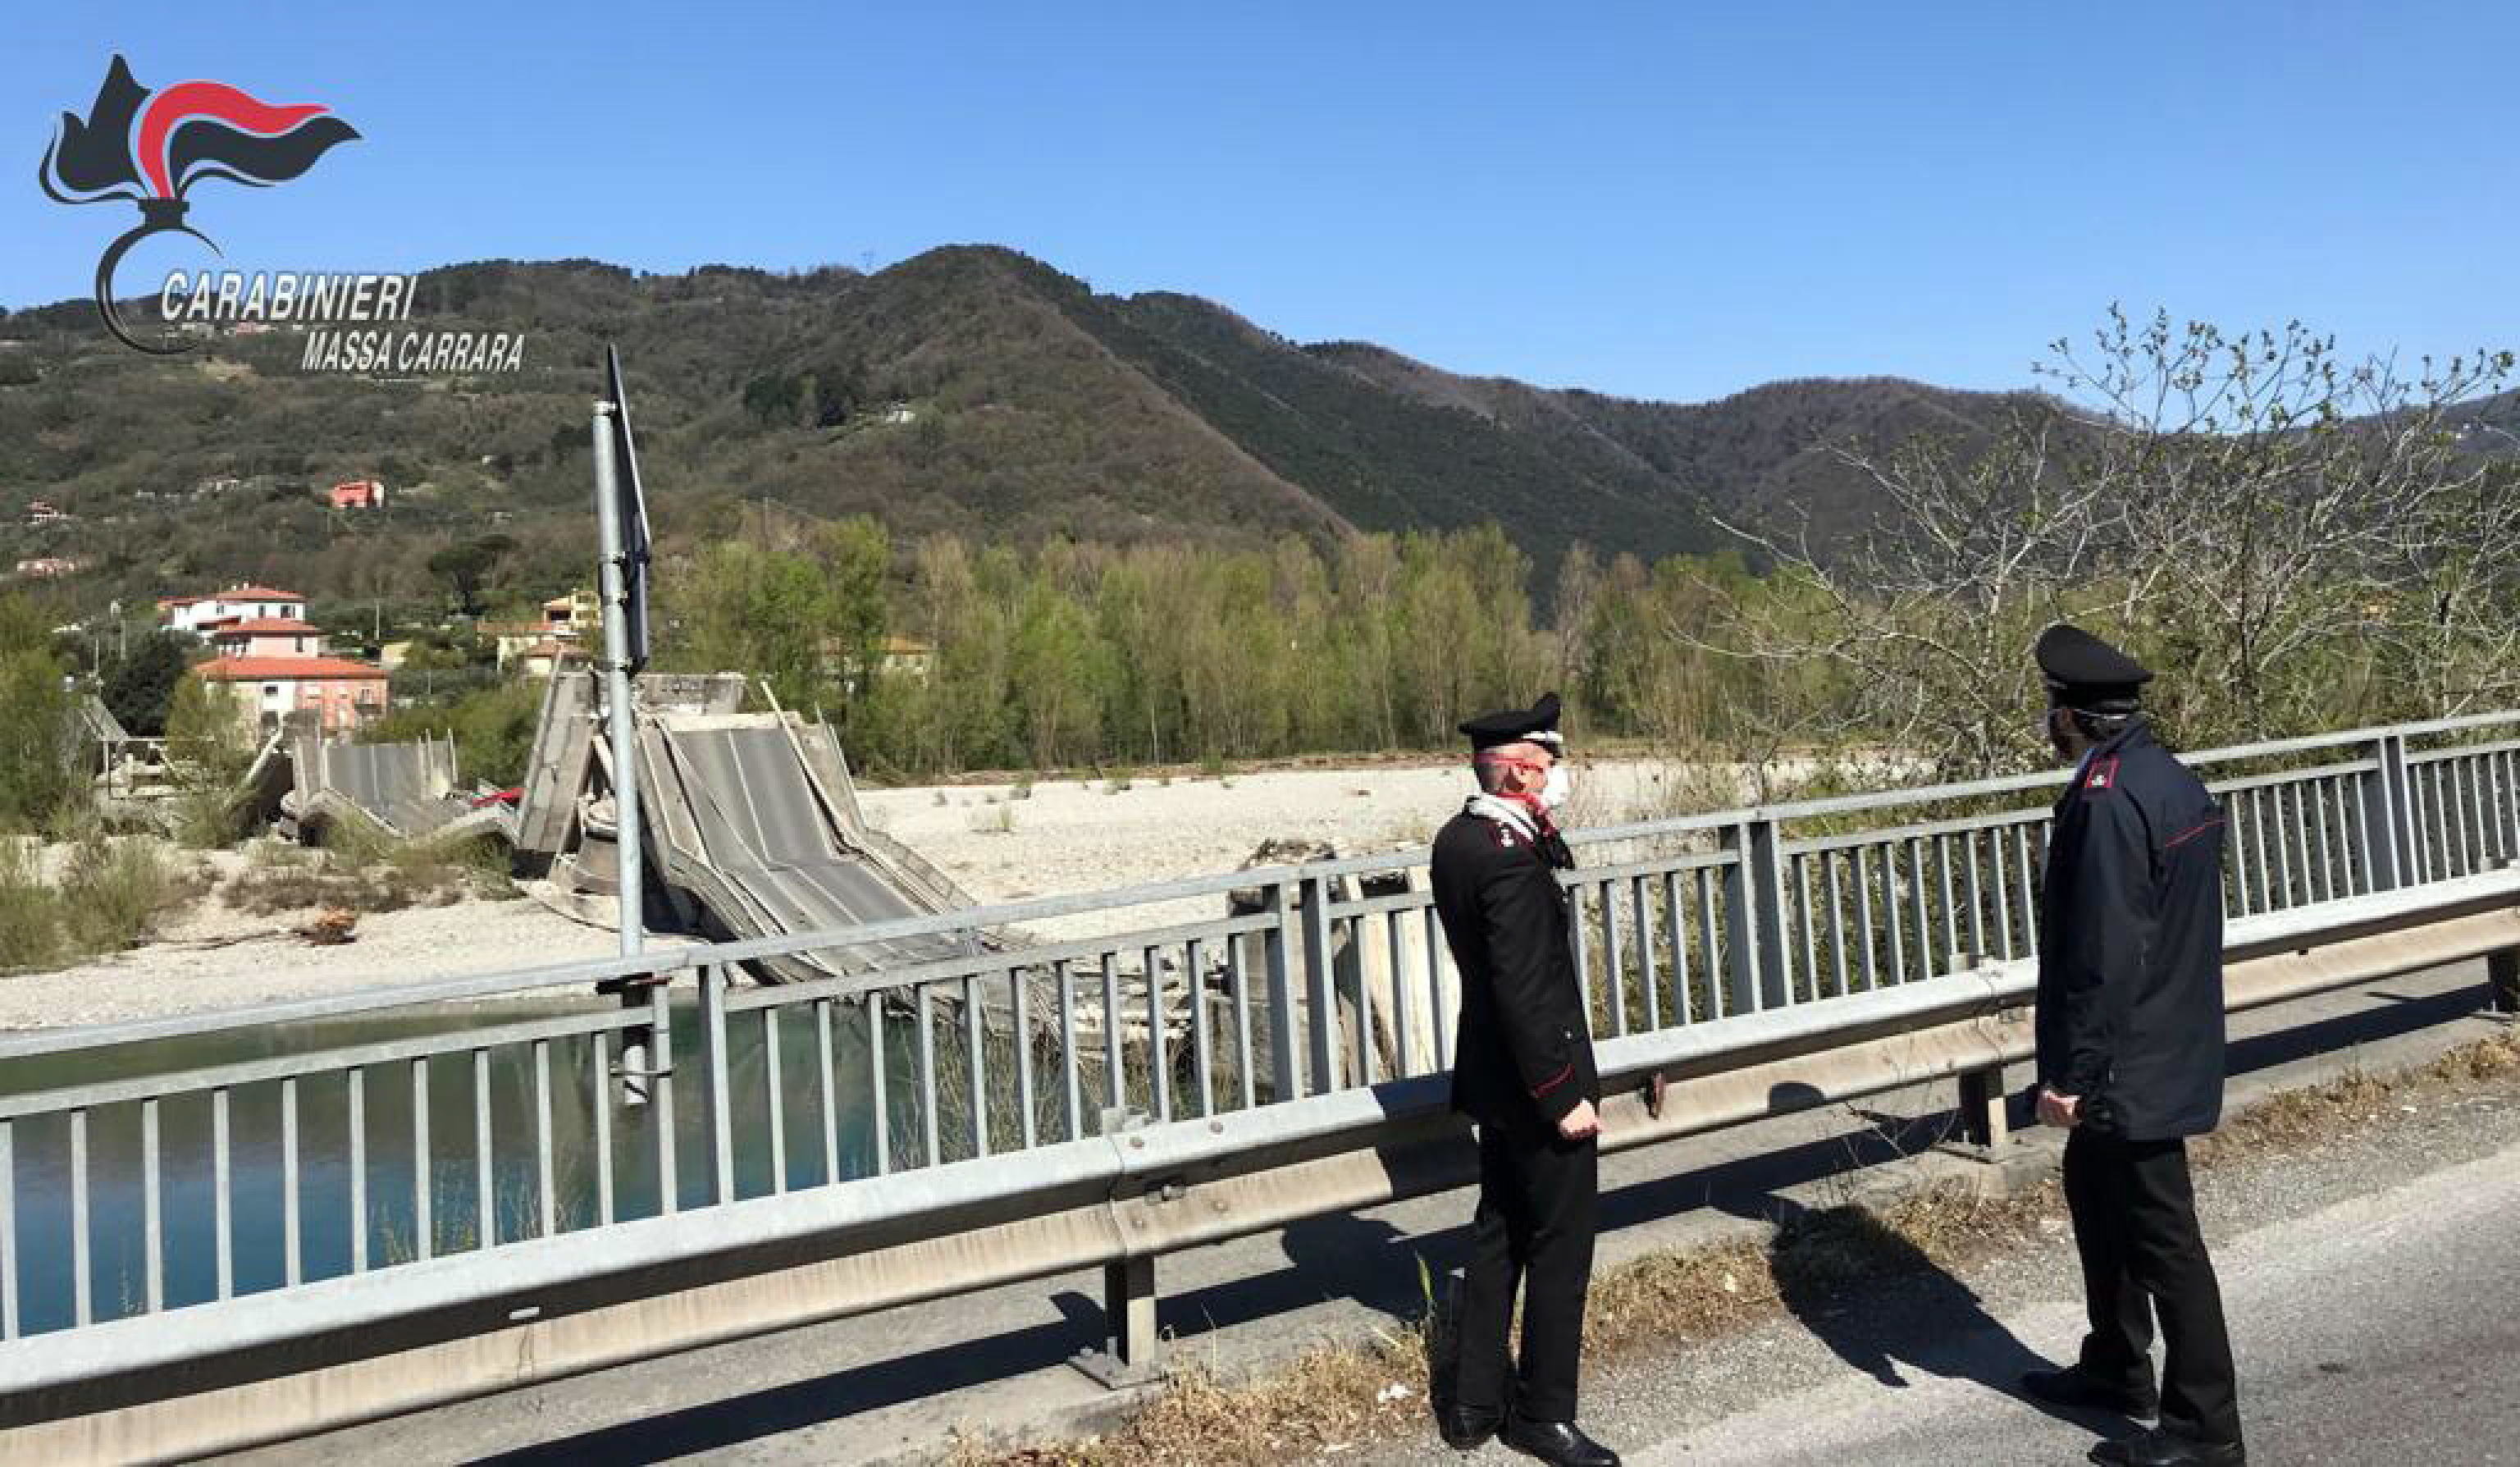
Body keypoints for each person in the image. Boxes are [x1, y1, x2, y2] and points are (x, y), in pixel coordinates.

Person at [2022, 625, 2245, 1466]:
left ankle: (2206, 1429)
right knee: (2098, 1200)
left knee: (2163, 1240)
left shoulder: (2111, 799)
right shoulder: (2165, 776)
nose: (2049, 722)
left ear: (2071, 716)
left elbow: (2106, 952)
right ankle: (2117, 1364)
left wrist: (2076, 1075)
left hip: (2131, 1060)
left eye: (2052, 709)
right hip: (2164, 1038)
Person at [1428, 692, 1619, 1467]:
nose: (1557, 779)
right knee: (1560, 1247)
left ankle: (1473, 1403)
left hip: (1491, 1081)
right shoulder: (1507, 859)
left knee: (1497, 1233)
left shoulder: (1458, 839)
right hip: (1539, 1085)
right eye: (1547, 766)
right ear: (1514, 773)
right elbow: (1526, 987)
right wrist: (1562, 1095)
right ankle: (1543, 1413)